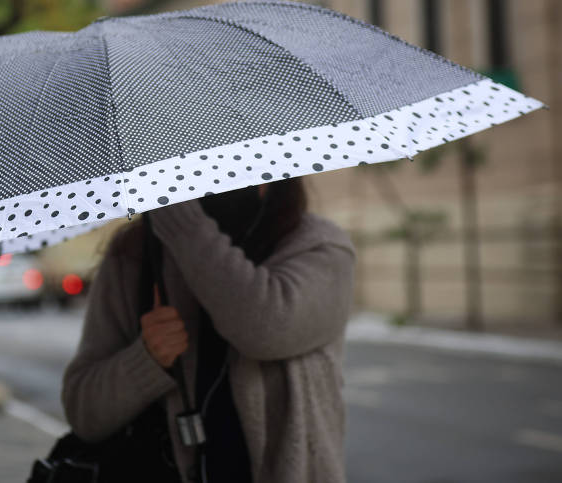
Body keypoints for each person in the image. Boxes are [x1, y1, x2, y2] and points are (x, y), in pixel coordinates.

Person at [61, 178, 355, 482]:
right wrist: (146, 359)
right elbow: (84, 412)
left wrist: (184, 225)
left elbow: (264, 330)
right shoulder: (135, 255)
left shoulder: (318, 247)